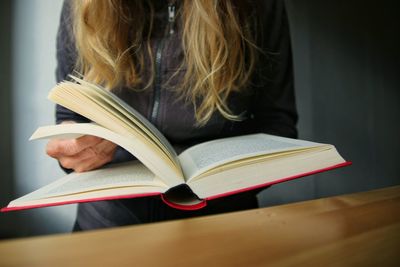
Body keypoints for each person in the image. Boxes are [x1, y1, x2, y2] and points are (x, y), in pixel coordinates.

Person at [46, 0, 298, 231]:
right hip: (107, 227)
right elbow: (70, 112)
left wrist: (227, 182)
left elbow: (278, 124)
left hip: (223, 227)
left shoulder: (255, 5)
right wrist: (76, 147)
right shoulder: (84, 5)